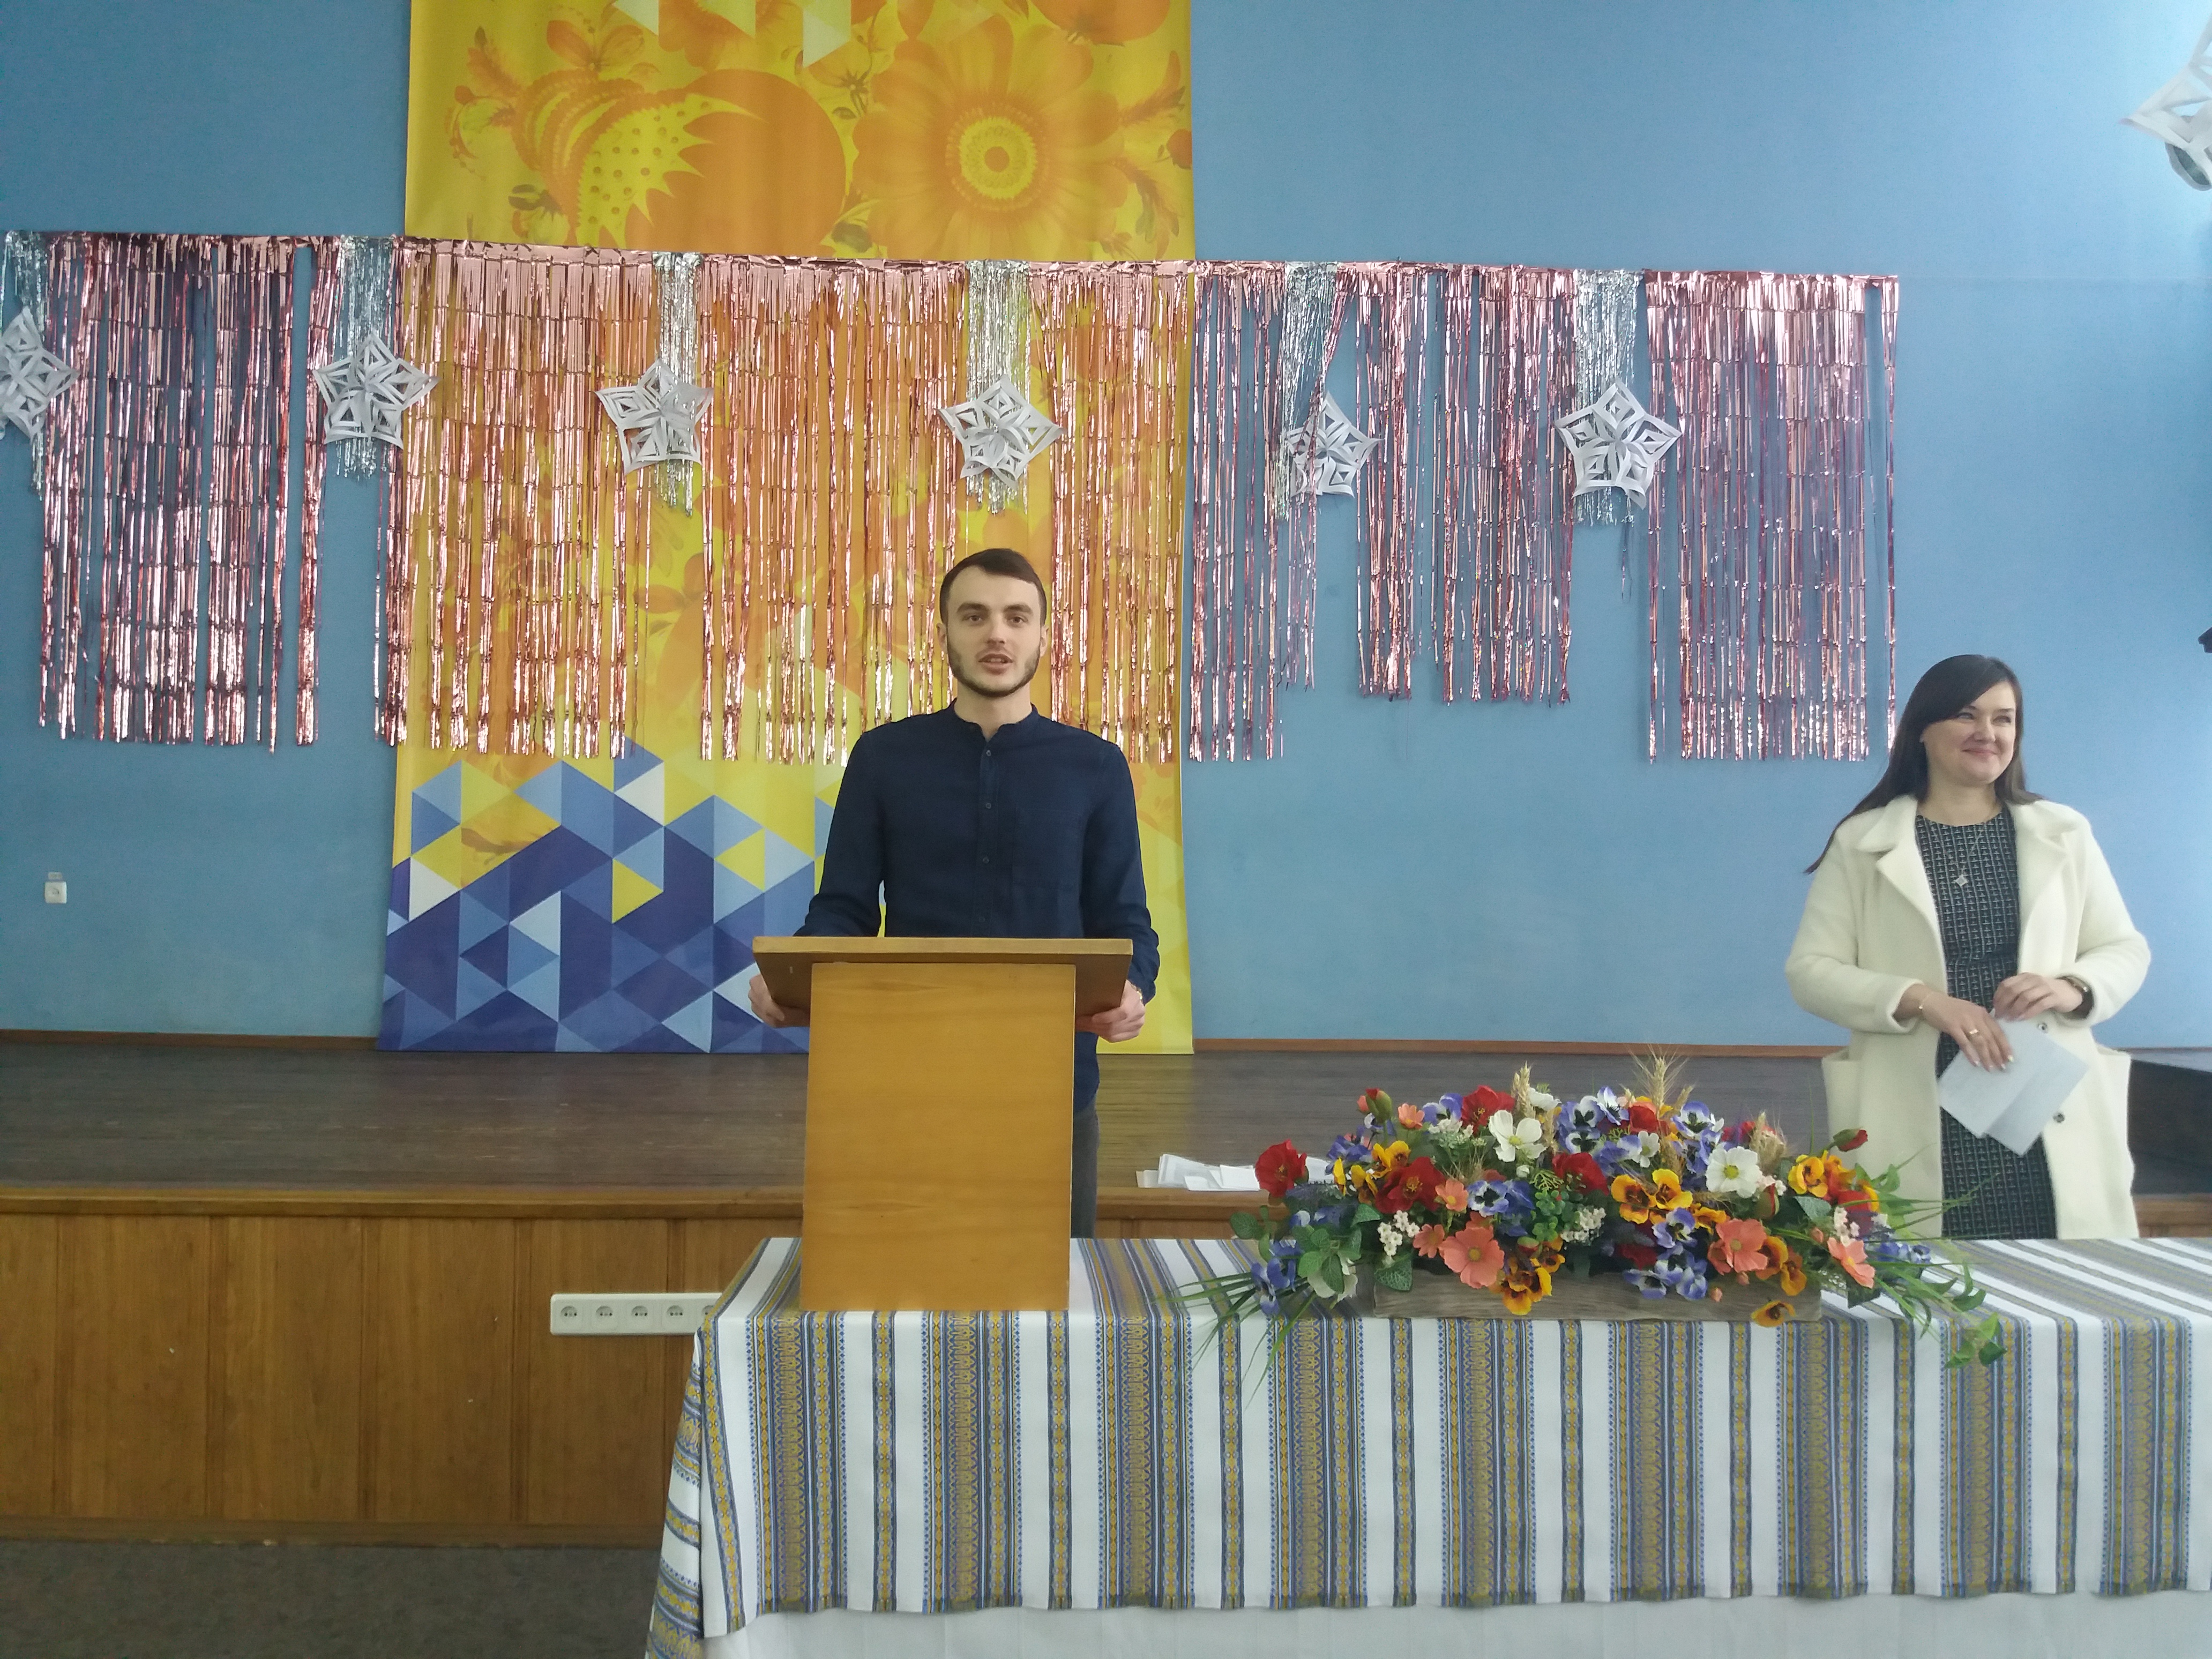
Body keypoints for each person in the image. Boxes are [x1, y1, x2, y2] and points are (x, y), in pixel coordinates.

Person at [746, 545, 1157, 1238]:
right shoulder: (884, 758)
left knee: (1056, 1290)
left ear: (1043, 635)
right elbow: (843, 909)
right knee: (902, 1277)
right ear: (944, 634)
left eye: (1016, 617)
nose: (997, 634)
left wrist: (1133, 988)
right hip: (907, 1078)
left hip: (1051, 1083)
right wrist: (795, 977)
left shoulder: (1096, 768)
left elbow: (1125, 921)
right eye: (975, 616)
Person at [1785, 654, 2149, 1239]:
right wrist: (1922, 999)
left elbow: (2124, 949)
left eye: (2004, 719)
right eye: (1966, 715)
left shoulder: (2064, 832)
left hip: (2041, 1108)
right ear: (1922, 730)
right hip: (1916, 1099)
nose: (1988, 732)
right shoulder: (1863, 842)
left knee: (2058, 1275)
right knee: (1923, 1276)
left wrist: (2070, 988)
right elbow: (1810, 971)